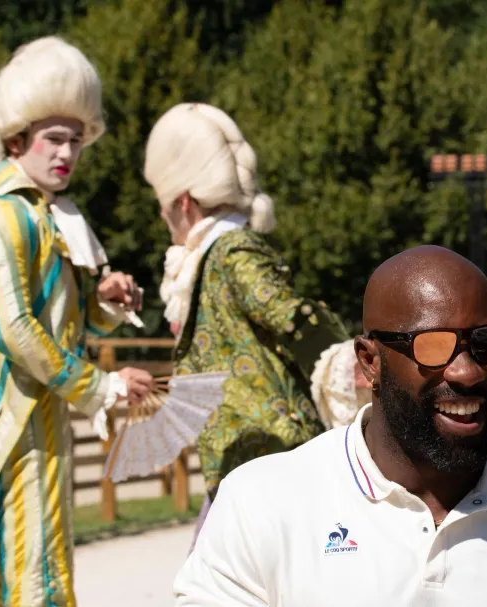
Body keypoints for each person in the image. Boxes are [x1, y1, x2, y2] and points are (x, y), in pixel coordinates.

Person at [174, 246, 487, 606]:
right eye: (432, 345)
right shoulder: (260, 505)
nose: (467, 371)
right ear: (369, 363)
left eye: (486, 343)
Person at [144, 103, 359, 547]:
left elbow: (289, 313)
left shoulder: (230, 249)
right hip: (242, 462)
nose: (162, 219)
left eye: (163, 207)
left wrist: (358, 360)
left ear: (183, 202)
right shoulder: (211, 256)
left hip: (271, 460)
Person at [0, 37, 154, 607]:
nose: (66, 153)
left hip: (41, 422)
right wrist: (101, 386)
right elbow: (13, 330)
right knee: (39, 584)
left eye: (76, 142)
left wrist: (105, 299)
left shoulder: (55, 215)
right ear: (17, 138)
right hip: (13, 428)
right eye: (54, 138)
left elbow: (73, 326)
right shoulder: (5, 214)